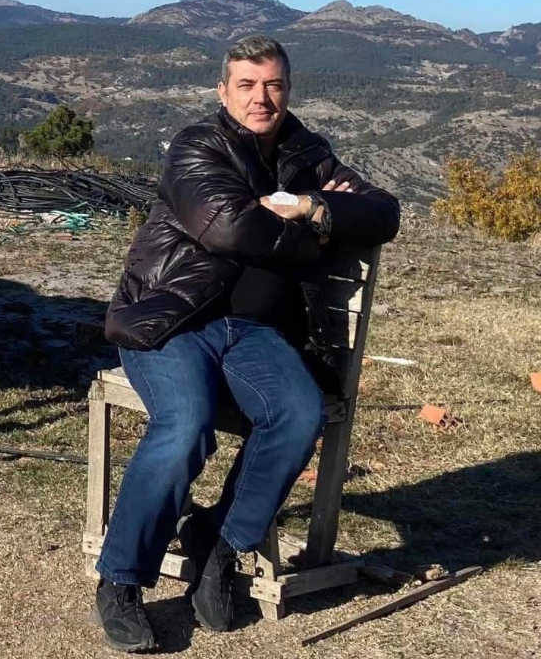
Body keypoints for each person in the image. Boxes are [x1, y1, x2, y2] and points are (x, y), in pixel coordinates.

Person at [93, 35, 400, 652]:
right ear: (223, 91)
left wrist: (308, 205)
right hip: (174, 322)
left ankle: (220, 547)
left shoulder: (309, 153)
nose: (262, 99)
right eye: (248, 86)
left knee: (298, 412)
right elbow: (229, 226)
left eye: (274, 86)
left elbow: (384, 212)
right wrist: (313, 231)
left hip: (257, 333)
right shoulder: (196, 147)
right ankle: (121, 580)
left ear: (287, 87)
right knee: (186, 425)